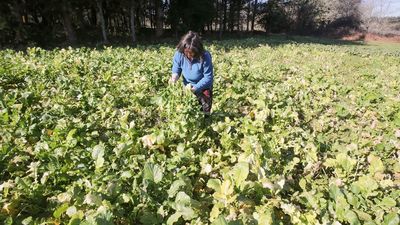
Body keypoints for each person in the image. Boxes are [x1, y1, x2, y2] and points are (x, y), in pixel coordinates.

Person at [170, 31, 214, 116]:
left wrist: (194, 88)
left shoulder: (205, 56)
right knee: (188, 109)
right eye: (186, 52)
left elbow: (208, 78)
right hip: (187, 85)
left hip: (204, 87)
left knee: (205, 110)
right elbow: (177, 67)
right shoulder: (179, 53)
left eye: (191, 52)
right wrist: (174, 77)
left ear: (197, 50)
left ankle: (206, 124)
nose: (188, 54)